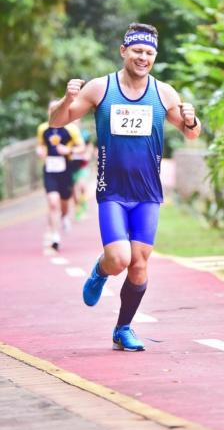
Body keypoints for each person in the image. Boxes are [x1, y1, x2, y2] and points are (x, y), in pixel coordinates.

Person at [49, 23, 201, 350]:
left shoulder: (164, 93)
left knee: (139, 264)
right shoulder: (101, 88)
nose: (142, 57)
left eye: (149, 53)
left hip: (147, 193)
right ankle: (101, 270)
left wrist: (191, 118)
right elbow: (57, 121)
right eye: (137, 51)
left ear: (155, 56)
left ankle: (123, 328)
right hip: (113, 191)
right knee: (118, 259)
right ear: (123, 51)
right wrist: (67, 99)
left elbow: (191, 133)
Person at [37, 101, 85, 251]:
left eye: (56, 109)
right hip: (50, 170)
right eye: (51, 109)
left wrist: (68, 151)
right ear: (48, 111)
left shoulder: (71, 129)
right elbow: (41, 145)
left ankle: (64, 217)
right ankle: (55, 236)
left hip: (66, 170)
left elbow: (81, 147)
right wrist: (40, 151)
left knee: (64, 203)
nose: (53, 111)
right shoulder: (43, 129)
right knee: (52, 202)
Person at [69, 120, 95, 221]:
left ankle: (83, 204)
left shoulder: (84, 133)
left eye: (76, 120)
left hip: (82, 165)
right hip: (70, 166)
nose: (74, 122)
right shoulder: (67, 133)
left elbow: (89, 146)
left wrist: (88, 154)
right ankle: (78, 209)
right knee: (74, 190)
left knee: (82, 186)